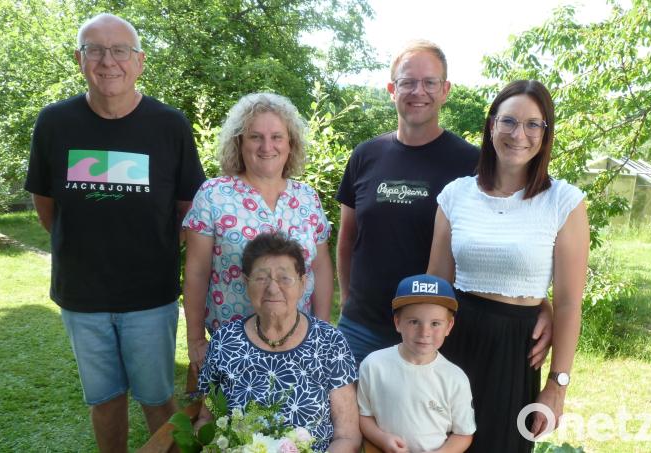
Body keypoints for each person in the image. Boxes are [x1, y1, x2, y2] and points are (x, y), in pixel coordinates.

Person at [24, 13, 205, 452]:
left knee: (157, 401)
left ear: (139, 61)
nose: (109, 61)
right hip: (82, 297)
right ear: (79, 59)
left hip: (150, 296)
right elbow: (47, 206)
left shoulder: (169, 125)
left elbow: (188, 210)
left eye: (120, 50)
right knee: (105, 401)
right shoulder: (54, 123)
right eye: (95, 50)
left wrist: (147, 251)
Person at [335, 40, 552, 365]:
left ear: (445, 89)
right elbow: (347, 238)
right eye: (407, 82)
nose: (417, 91)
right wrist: (349, 300)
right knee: (348, 416)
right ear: (392, 89)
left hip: (433, 334)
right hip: (360, 329)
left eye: (429, 82)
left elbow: (509, 236)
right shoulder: (365, 156)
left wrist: (540, 301)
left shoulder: (474, 164)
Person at [428, 80, 590, 452]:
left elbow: (567, 303)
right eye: (509, 122)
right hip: (453, 339)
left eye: (533, 124)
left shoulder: (563, 202)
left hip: (516, 350)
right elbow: (436, 284)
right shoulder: (455, 195)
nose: (520, 134)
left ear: (546, 133)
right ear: (491, 126)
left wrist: (557, 385)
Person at [183, 92, 333, 375]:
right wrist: (194, 339)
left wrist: (321, 331)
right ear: (239, 142)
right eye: (255, 137)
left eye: (277, 137)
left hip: (298, 341)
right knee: (234, 418)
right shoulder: (214, 194)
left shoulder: (307, 197)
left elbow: (321, 267)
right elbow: (196, 272)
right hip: (232, 345)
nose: (267, 146)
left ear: (291, 144)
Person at [196, 232, 360, 452]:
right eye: (261, 278)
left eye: (284, 278)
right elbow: (206, 420)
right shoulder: (225, 341)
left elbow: (347, 436)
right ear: (246, 282)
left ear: (302, 283)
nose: (273, 288)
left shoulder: (330, 342)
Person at [359, 274, 475, 453]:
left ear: (449, 326)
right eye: (414, 322)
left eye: (435, 323)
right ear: (398, 322)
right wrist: (383, 439)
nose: (425, 332)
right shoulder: (374, 365)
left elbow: (463, 434)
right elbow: (363, 415)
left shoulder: (455, 378)